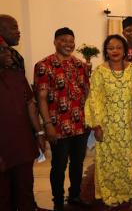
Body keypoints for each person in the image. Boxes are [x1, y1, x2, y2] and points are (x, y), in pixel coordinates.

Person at [34, 27, 90, 211]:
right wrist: (47, 124)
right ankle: (58, 200)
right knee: (58, 166)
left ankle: (75, 195)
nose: (68, 44)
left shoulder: (81, 65)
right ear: (55, 42)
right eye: (63, 40)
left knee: (78, 163)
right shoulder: (44, 65)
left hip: (80, 125)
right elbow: (41, 98)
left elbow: (87, 94)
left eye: (71, 41)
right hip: (57, 125)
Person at [84, 34, 132, 206]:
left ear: (125, 50)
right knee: (108, 161)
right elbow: (94, 99)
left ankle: (130, 189)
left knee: (128, 158)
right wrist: (96, 125)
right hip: (107, 125)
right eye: (111, 48)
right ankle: (110, 192)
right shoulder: (100, 72)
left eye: (118, 47)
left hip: (129, 123)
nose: (115, 51)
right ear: (106, 51)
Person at [0, 32, 45, 211]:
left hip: (22, 144)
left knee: (25, 189)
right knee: (3, 196)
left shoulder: (17, 76)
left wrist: (39, 133)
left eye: (8, 50)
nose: (9, 54)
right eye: (3, 51)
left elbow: (30, 106)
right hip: (3, 147)